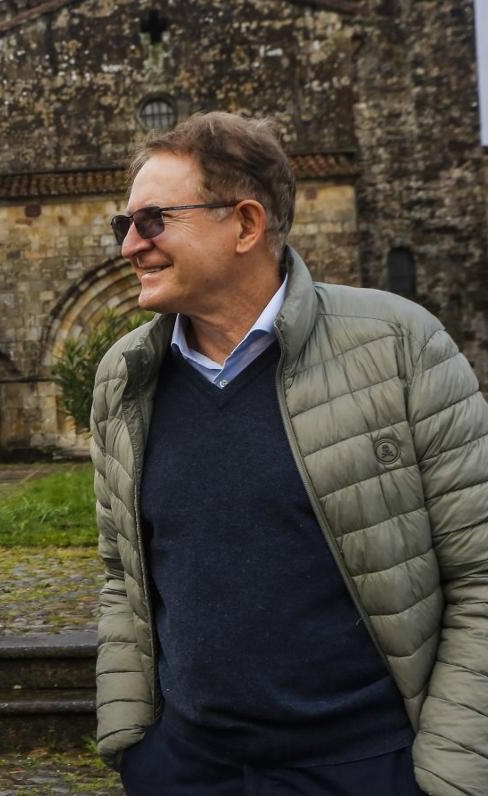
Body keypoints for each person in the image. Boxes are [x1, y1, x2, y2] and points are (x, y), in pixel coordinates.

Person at [91, 111, 488, 795]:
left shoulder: (400, 345)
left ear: (246, 225)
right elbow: (120, 578)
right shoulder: (124, 377)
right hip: (188, 769)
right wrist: (136, 747)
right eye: (122, 225)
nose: (129, 246)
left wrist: (447, 773)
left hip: (367, 767)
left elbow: (480, 574)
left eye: (152, 220)